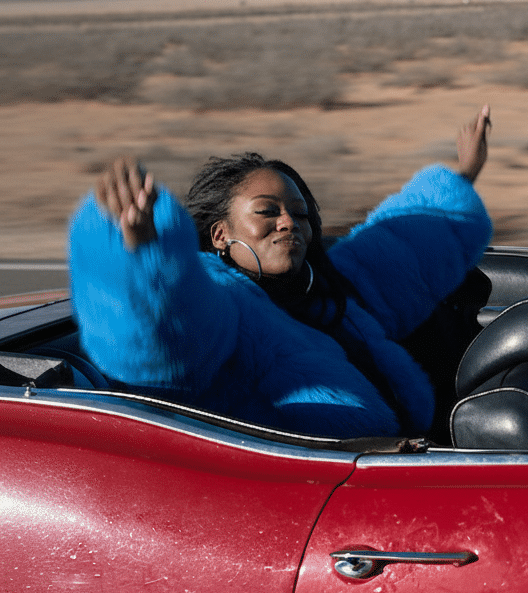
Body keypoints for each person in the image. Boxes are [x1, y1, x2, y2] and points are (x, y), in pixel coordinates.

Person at [68, 105, 495, 439]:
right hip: (300, 498)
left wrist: (463, 174)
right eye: (267, 212)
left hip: (395, 465)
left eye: (300, 213)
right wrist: (142, 259)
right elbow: (168, 340)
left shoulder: (322, 289)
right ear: (220, 234)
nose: (289, 222)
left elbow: (406, 244)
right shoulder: (219, 298)